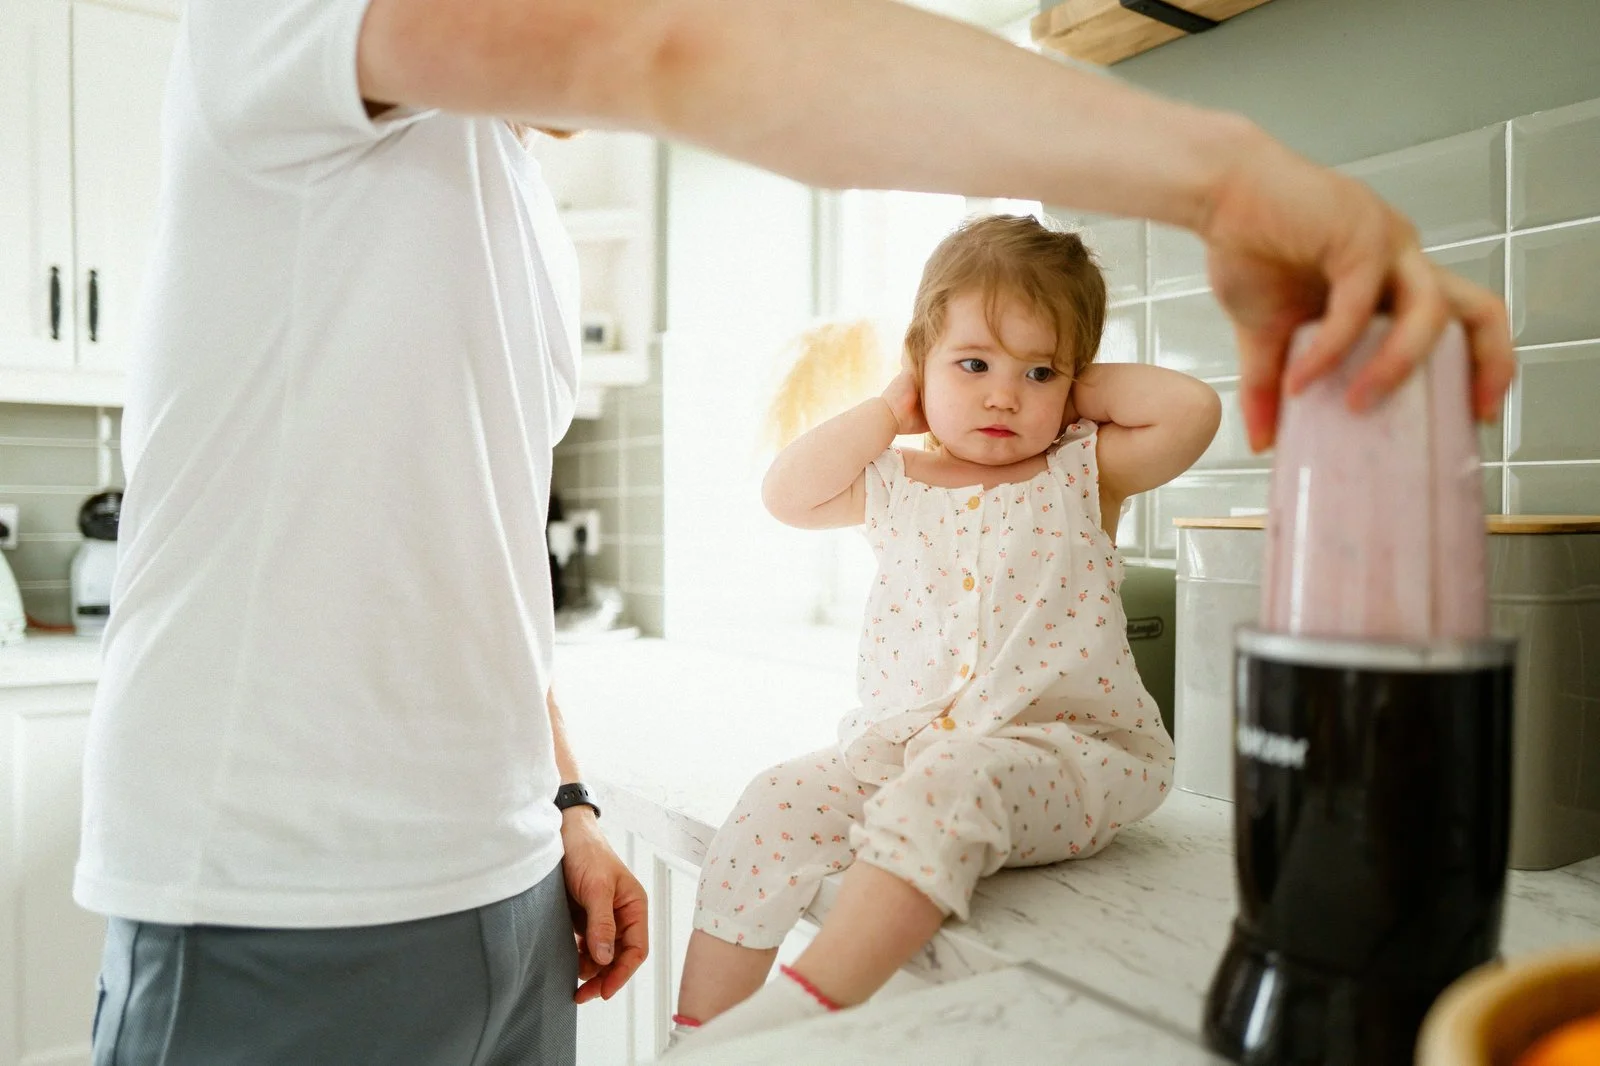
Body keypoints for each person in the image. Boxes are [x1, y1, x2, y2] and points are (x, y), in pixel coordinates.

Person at [76, 1, 1515, 1063]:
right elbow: (679, 49)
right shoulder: (281, 31)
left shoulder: (514, 201)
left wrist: (558, 808)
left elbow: (478, 565)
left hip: (500, 885)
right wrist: (1229, 175)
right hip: (275, 899)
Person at [667, 213, 1221, 1050]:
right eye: (973, 364)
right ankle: (697, 1038)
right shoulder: (894, 480)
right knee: (774, 800)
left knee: (957, 779)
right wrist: (890, 409)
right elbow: (787, 494)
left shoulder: (1082, 470)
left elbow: (1193, 409)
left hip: (1069, 754)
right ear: (919, 364)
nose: (1005, 394)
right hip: (903, 751)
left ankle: (806, 1008)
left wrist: (1076, 389)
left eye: (1038, 371)